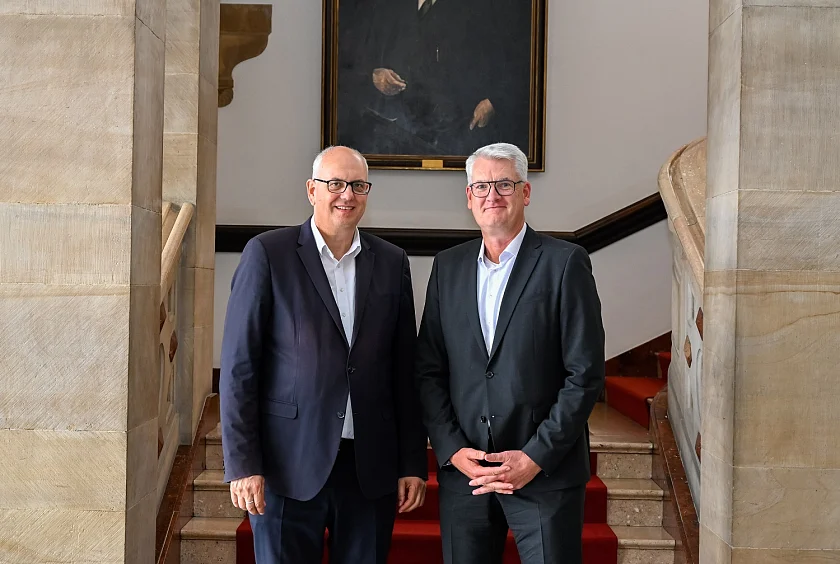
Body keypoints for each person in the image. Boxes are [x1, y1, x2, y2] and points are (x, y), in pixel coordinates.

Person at [219, 146, 428, 564]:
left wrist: (412, 462)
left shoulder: (391, 262)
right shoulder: (268, 253)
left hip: (369, 467)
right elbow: (240, 367)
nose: (346, 194)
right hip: (287, 465)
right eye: (335, 184)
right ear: (311, 190)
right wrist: (242, 463)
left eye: (357, 185)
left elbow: (405, 372)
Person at [415, 142, 605, 563]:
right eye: (481, 186)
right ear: (468, 197)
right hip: (468, 475)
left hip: (544, 475)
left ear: (525, 192)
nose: (492, 196)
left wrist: (535, 456)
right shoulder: (448, 267)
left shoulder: (565, 263)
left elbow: (584, 374)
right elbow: (429, 369)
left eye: (504, 184)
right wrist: (452, 449)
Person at [336, 0, 530, 156]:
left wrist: (494, 102)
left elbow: (514, 60)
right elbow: (350, 60)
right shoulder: (388, 6)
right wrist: (374, 75)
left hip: (461, 130)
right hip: (397, 130)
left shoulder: (480, 6)